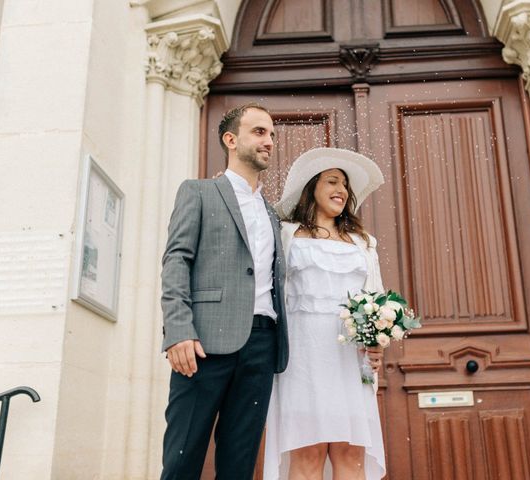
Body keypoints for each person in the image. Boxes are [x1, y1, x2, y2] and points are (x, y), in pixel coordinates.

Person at [160, 103, 289, 480]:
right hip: (203, 344)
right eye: (259, 132)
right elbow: (176, 260)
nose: (269, 141)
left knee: (239, 463)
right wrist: (178, 330)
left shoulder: (273, 213)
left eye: (271, 134)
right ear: (231, 140)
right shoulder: (198, 192)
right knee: (183, 458)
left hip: (262, 345)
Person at [264, 147, 387, 480]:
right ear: (312, 188)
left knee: (351, 453)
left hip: (350, 358)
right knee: (308, 454)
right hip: (302, 357)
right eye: (333, 181)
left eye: (345, 185)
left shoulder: (364, 242)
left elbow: (376, 301)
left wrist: (377, 342)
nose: (342, 190)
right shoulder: (286, 235)